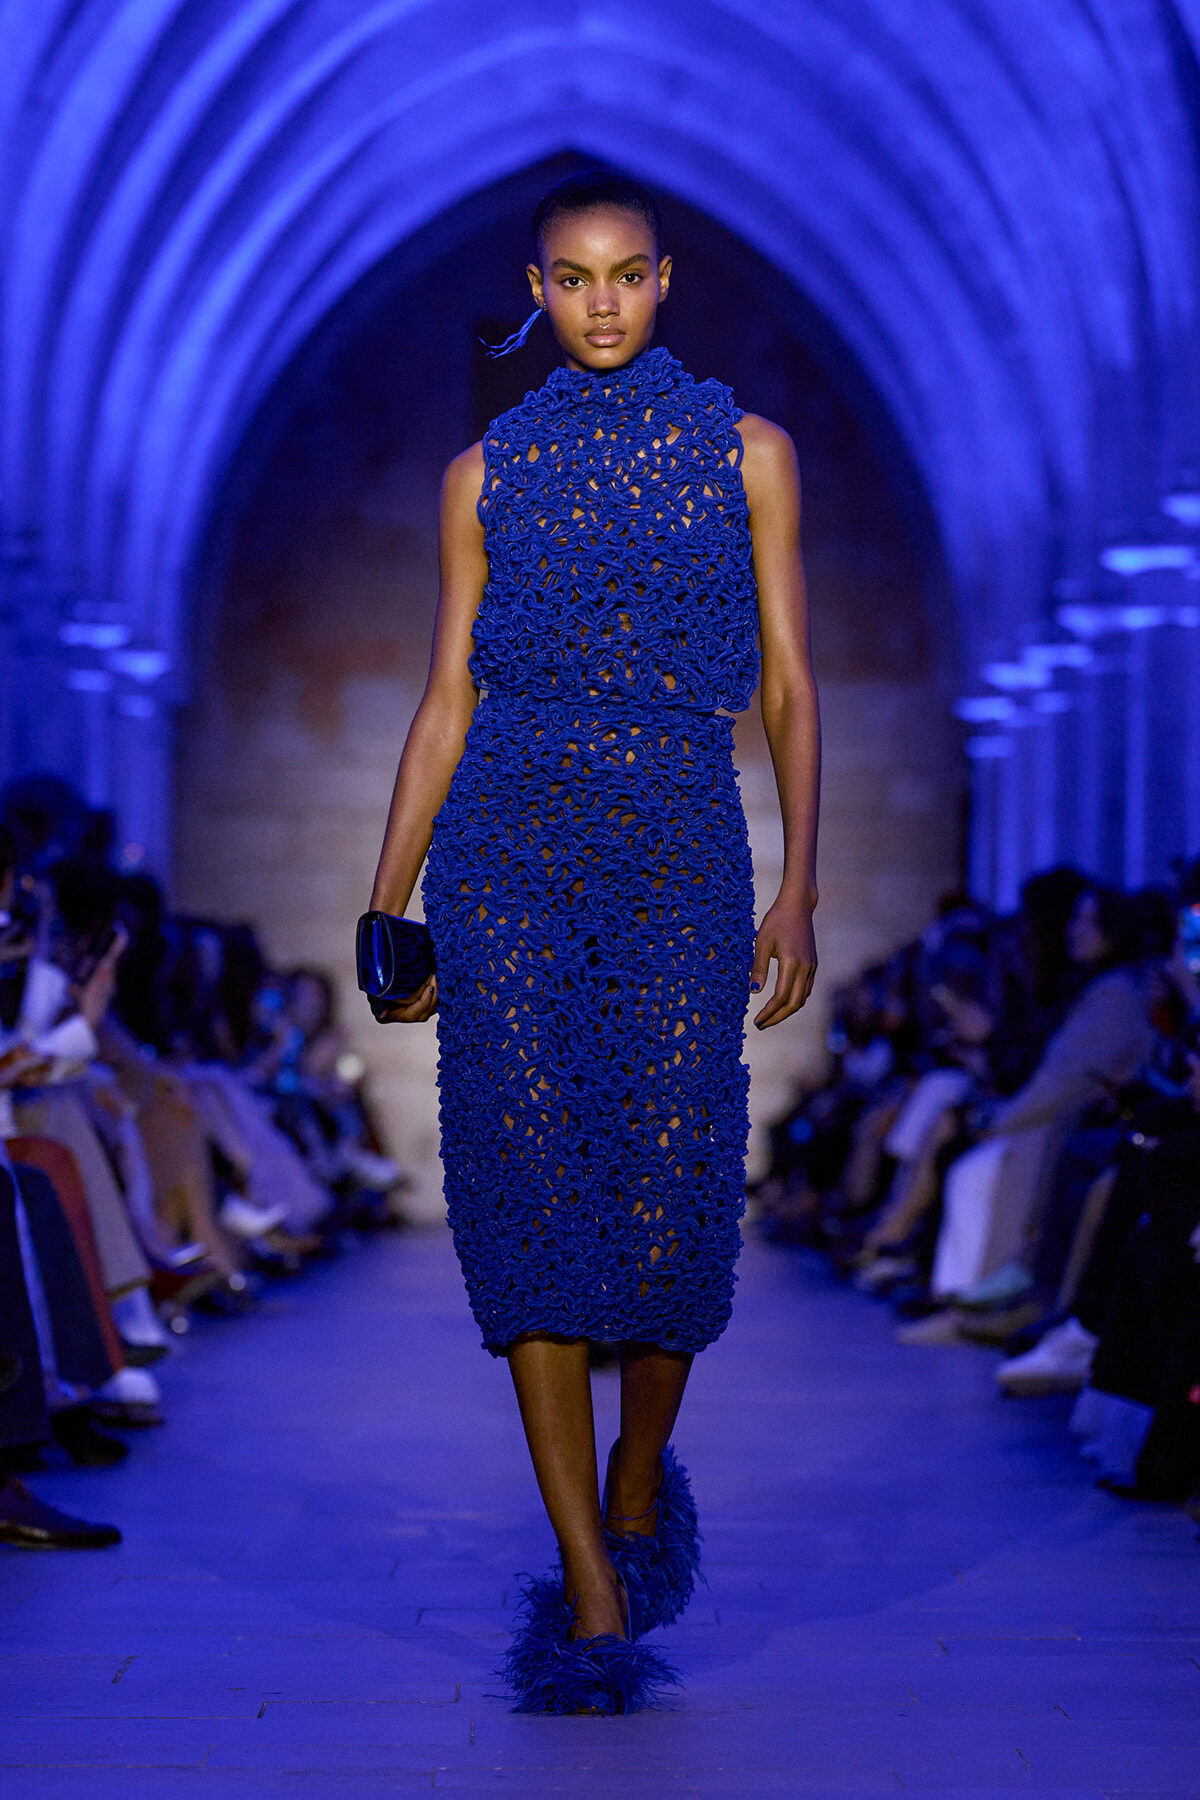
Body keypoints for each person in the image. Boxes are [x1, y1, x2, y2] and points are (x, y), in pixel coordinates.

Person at [367, 170, 820, 1713]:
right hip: (506, 868)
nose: (604, 301)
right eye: (573, 277)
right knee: (527, 1200)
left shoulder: (749, 458)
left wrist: (801, 884)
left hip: (684, 857)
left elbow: (791, 687)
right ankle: (591, 1586)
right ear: (536, 290)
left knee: (673, 1199)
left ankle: (640, 1473)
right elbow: (446, 702)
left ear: (668, 278)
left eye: (628, 273)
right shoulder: (482, 475)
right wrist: (388, 897)